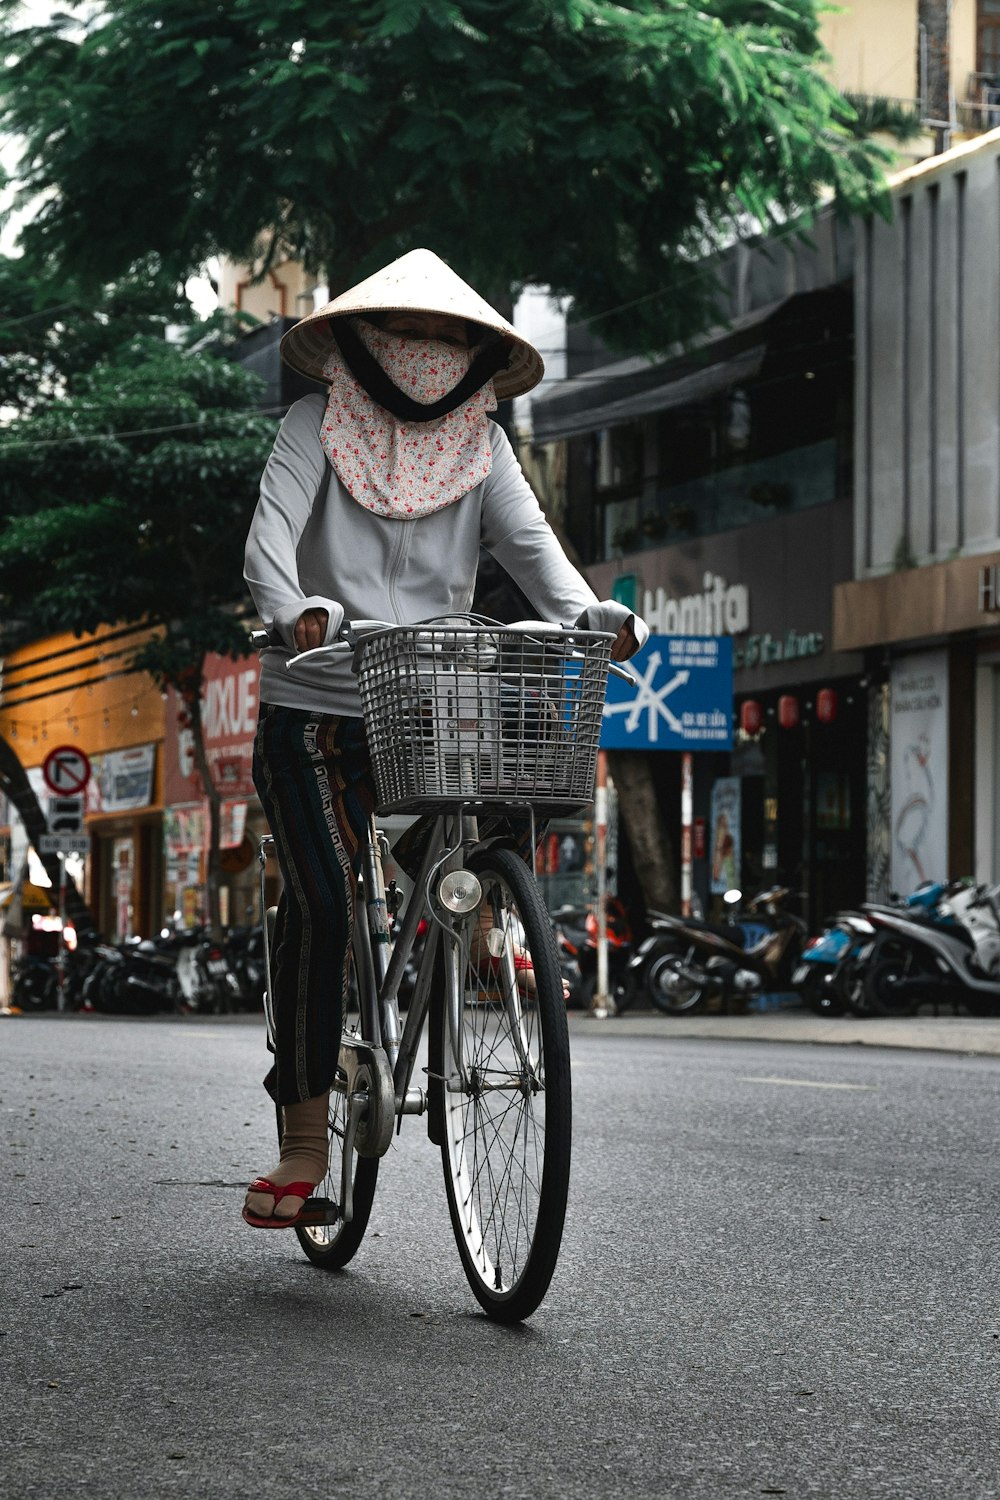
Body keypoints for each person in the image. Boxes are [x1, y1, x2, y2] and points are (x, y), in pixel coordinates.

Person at [242, 248, 647, 1229]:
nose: (424, 351)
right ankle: (304, 1144)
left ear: (473, 352)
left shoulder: (486, 446)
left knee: (487, 812)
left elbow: (536, 553)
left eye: (445, 336)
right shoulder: (313, 423)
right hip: (314, 704)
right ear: (361, 343)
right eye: (406, 334)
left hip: (427, 698)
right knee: (325, 904)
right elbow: (267, 541)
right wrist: (292, 608)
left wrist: (593, 614)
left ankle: (454, 923)